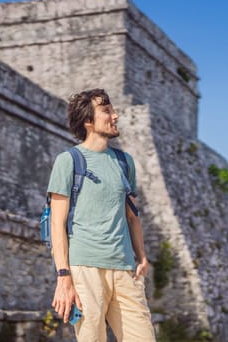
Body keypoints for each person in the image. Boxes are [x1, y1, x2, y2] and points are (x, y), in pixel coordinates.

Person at [46, 88, 156, 341]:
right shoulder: (69, 160)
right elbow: (57, 223)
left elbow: (132, 216)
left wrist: (142, 255)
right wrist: (64, 277)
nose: (115, 115)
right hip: (85, 270)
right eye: (107, 111)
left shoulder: (124, 162)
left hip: (125, 269)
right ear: (88, 120)